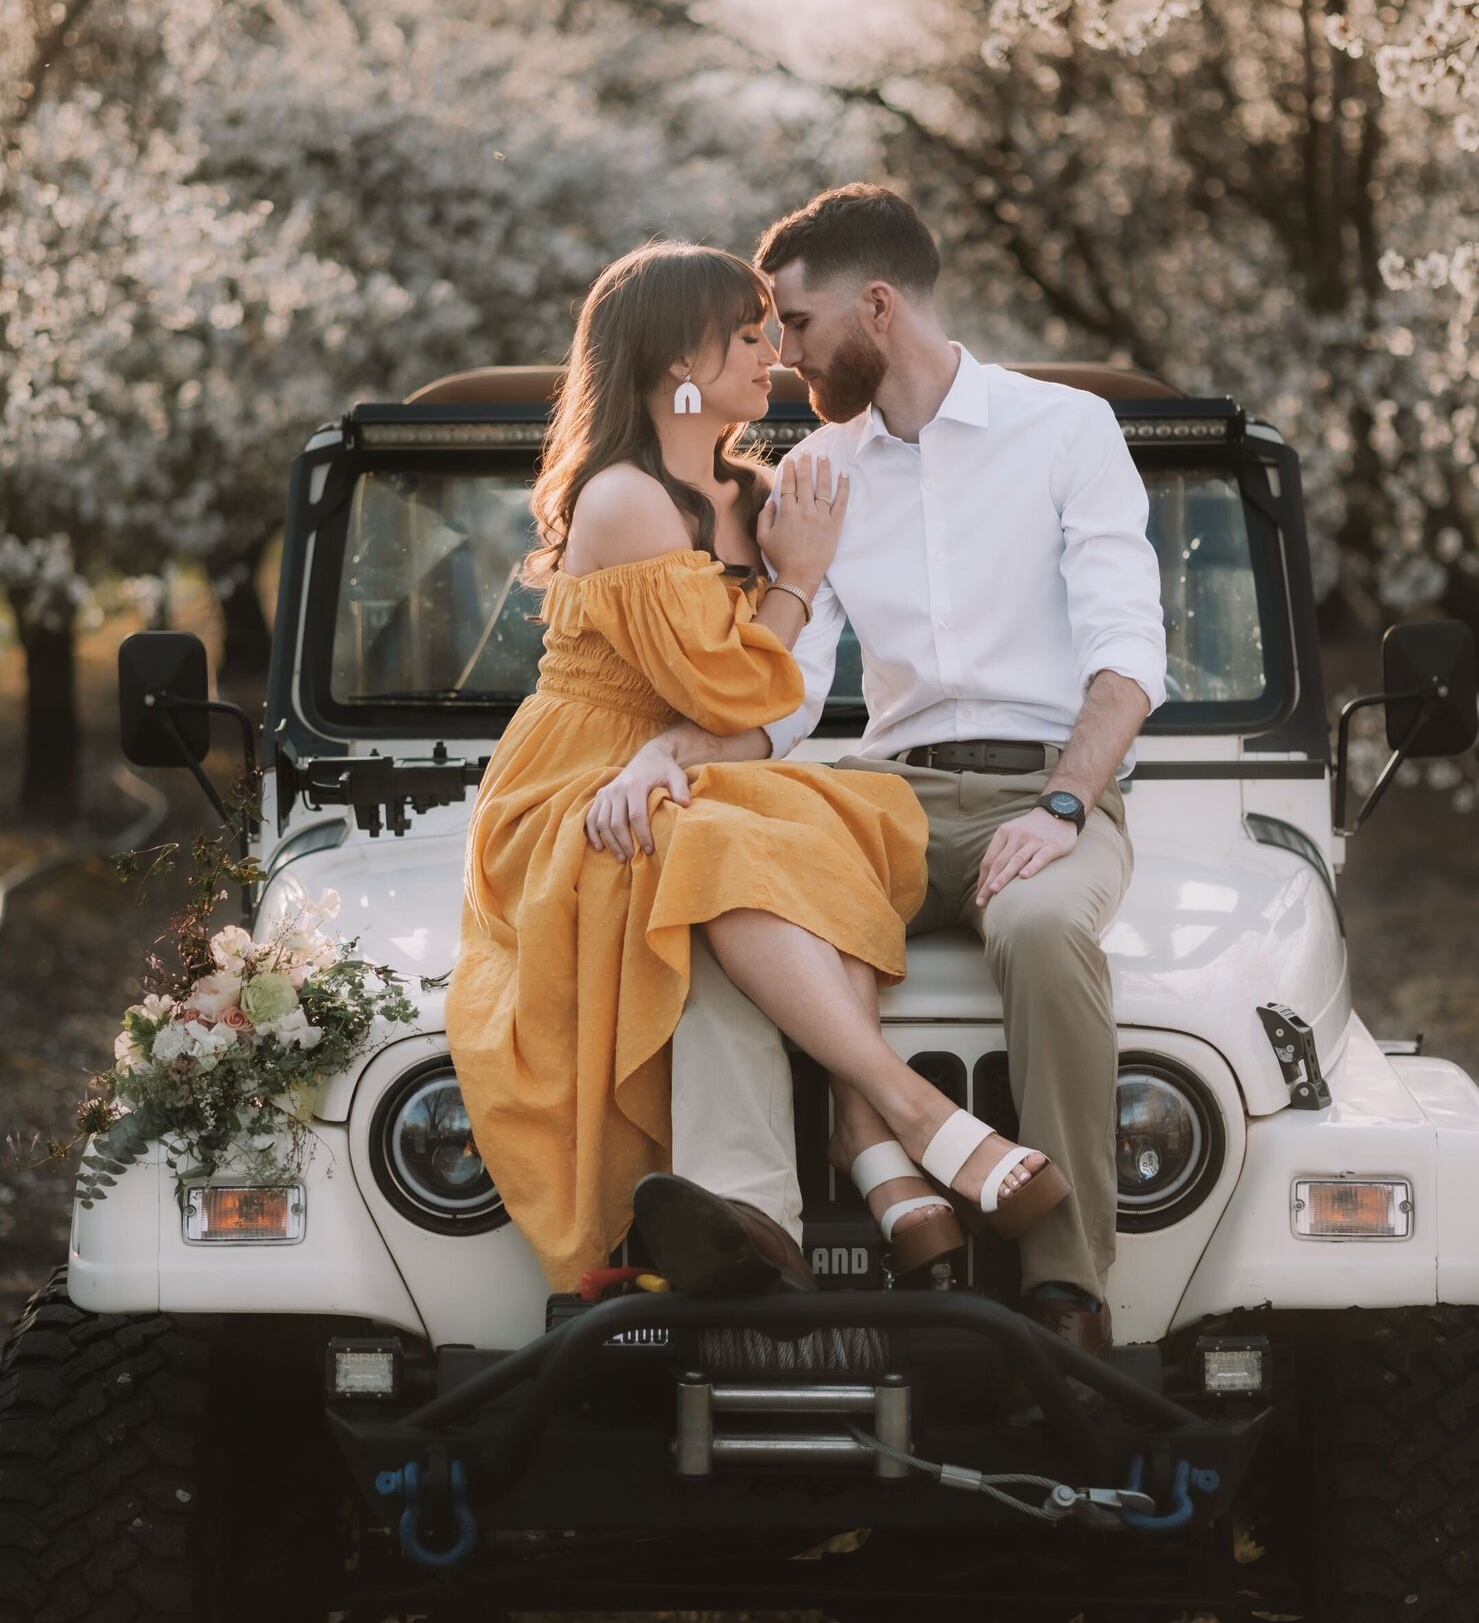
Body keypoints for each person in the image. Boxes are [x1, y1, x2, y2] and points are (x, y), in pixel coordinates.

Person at [587, 190, 1166, 1360]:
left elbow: (1125, 659)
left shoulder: (1064, 433)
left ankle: (1064, 1289)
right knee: (719, 880)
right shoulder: (820, 470)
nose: (781, 354)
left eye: (794, 326)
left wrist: (1063, 805)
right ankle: (758, 1220)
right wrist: (675, 752)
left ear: (879, 307)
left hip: (1048, 789)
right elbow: (787, 692)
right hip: (888, 791)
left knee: (1046, 932)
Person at [444, 240, 1078, 1301]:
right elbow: (736, 694)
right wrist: (799, 580)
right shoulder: (623, 499)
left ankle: (854, 1159)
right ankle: (904, 1115)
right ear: (670, 363)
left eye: (768, 332)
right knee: (721, 839)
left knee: (827, 823)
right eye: (744, 337)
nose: (773, 358)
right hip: (577, 787)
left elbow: (754, 711)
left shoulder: (760, 488)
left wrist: (783, 594)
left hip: (688, 771)